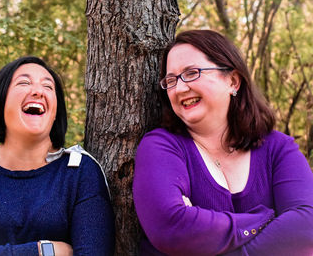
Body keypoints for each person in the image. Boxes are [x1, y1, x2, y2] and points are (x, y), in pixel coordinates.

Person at [133, 30, 313, 255]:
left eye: (192, 73)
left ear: (233, 81)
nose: (179, 88)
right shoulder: (161, 147)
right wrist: (265, 220)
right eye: (171, 80)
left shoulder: (278, 148)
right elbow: (171, 228)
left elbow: (307, 226)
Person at [0, 56, 115, 256]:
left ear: (56, 112)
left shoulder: (80, 172)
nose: (38, 91)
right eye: (24, 82)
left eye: (48, 86)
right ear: (0, 100)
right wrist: (46, 250)